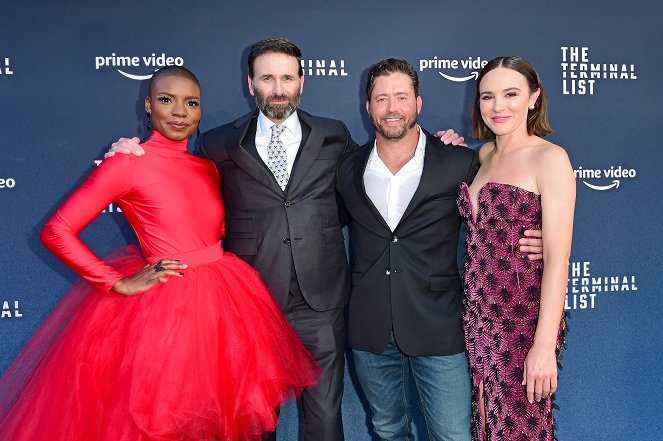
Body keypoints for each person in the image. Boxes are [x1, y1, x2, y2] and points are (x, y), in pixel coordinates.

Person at [107, 38, 469, 441]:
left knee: (325, 419)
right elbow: (179, 181)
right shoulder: (217, 143)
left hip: (322, 302)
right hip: (250, 303)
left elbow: (389, 164)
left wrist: (439, 146)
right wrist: (132, 154)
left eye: (286, 77)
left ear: (301, 81)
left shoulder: (335, 136)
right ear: (251, 84)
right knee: (255, 421)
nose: (277, 88)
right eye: (267, 78)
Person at [0, 66, 320, 441]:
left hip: (226, 307)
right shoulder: (127, 163)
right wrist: (115, 282)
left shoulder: (208, 167)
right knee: (167, 424)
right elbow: (57, 231)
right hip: (167, 317)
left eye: (192, 103)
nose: (180, 112)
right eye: (167, 100)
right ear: (149, 106)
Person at [335, 59, 544, 441]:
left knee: (452, 435)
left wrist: (534, 238)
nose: (391, 107)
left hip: (439, 325)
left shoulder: (458, 161)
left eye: (401, 97)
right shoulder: (347, 169)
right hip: (369, 328)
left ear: (418, 103)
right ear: (368, 108)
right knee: (386, 429)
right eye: (381, 99)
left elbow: (497, 217)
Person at [456, 56, 574, 441]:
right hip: (477, 317)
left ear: (533, 98)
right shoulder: (482, 156)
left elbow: (557, 260)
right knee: (486, 426)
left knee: (520, 429)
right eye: (487, 97)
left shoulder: (550, 158)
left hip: (522, 320)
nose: (498, 106)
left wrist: (543, 346)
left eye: (510, 94)